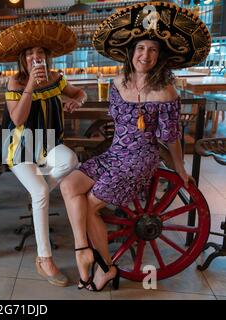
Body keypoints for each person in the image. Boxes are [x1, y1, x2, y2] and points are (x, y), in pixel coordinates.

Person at [60, 2, 211, 291]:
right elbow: (116, 123)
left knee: (91, 206)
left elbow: (170, 137)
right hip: (115, 153)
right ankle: (83, 251)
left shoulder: (166, 90)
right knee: (68, 185)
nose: (146, 55)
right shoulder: (117, 82)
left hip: (140, 159)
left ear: (160, 56)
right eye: (141, 49)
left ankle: (105, 269)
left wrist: (179, 168)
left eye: (153, 50)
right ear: (131, 52)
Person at [0, 19, 87, 287]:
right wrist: (30, 85)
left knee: (70, 159)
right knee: (42, 192)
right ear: (23, 59)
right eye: (30, 54)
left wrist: (77, 100)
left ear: (46, 56)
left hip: (48, 145)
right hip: (19, 148)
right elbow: (18, 119)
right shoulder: (15, 82)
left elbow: (80, 92)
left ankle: (37, 195)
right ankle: (44, 260)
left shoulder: (56, 78)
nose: (35, 57)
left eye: (40, 53)